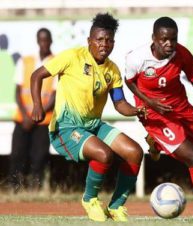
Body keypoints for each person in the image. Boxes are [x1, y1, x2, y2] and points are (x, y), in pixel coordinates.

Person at [30, 13, 145, 222]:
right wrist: (37, 105)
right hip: (65, 129)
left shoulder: (112, 70)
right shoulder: (72, 57)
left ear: (113, 43)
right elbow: (36, 75)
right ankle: (89, 199)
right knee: (104, 154)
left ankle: (116, 206)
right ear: (89, 41)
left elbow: (120, 103)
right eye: (99, 40)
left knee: (135, 152)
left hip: (93, 126)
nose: (104, 44)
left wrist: (137, 110)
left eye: (109, 40)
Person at [125, 16, 193, 221]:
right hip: (155, 113)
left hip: (182, 110)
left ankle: (156, 143)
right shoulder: (137, 58)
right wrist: (150, 102)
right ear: (154, 39)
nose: (169, 44)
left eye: (173, 39)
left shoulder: (181, 54)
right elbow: (130, 83)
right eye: (164, 39)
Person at [8, 28, 56, 192]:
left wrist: (39, 113)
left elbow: (54, 96)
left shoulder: (56, 63)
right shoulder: (26, 61)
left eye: (46, 40)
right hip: (23, 119)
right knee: (17, 155)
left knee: (39, 157)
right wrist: (26, 115)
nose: (44, 43)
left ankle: (35, 190)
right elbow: (17, 92)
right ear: (37, 41)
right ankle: (15, 189)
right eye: (41, 40)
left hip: (43, 121)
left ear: (50, 41)